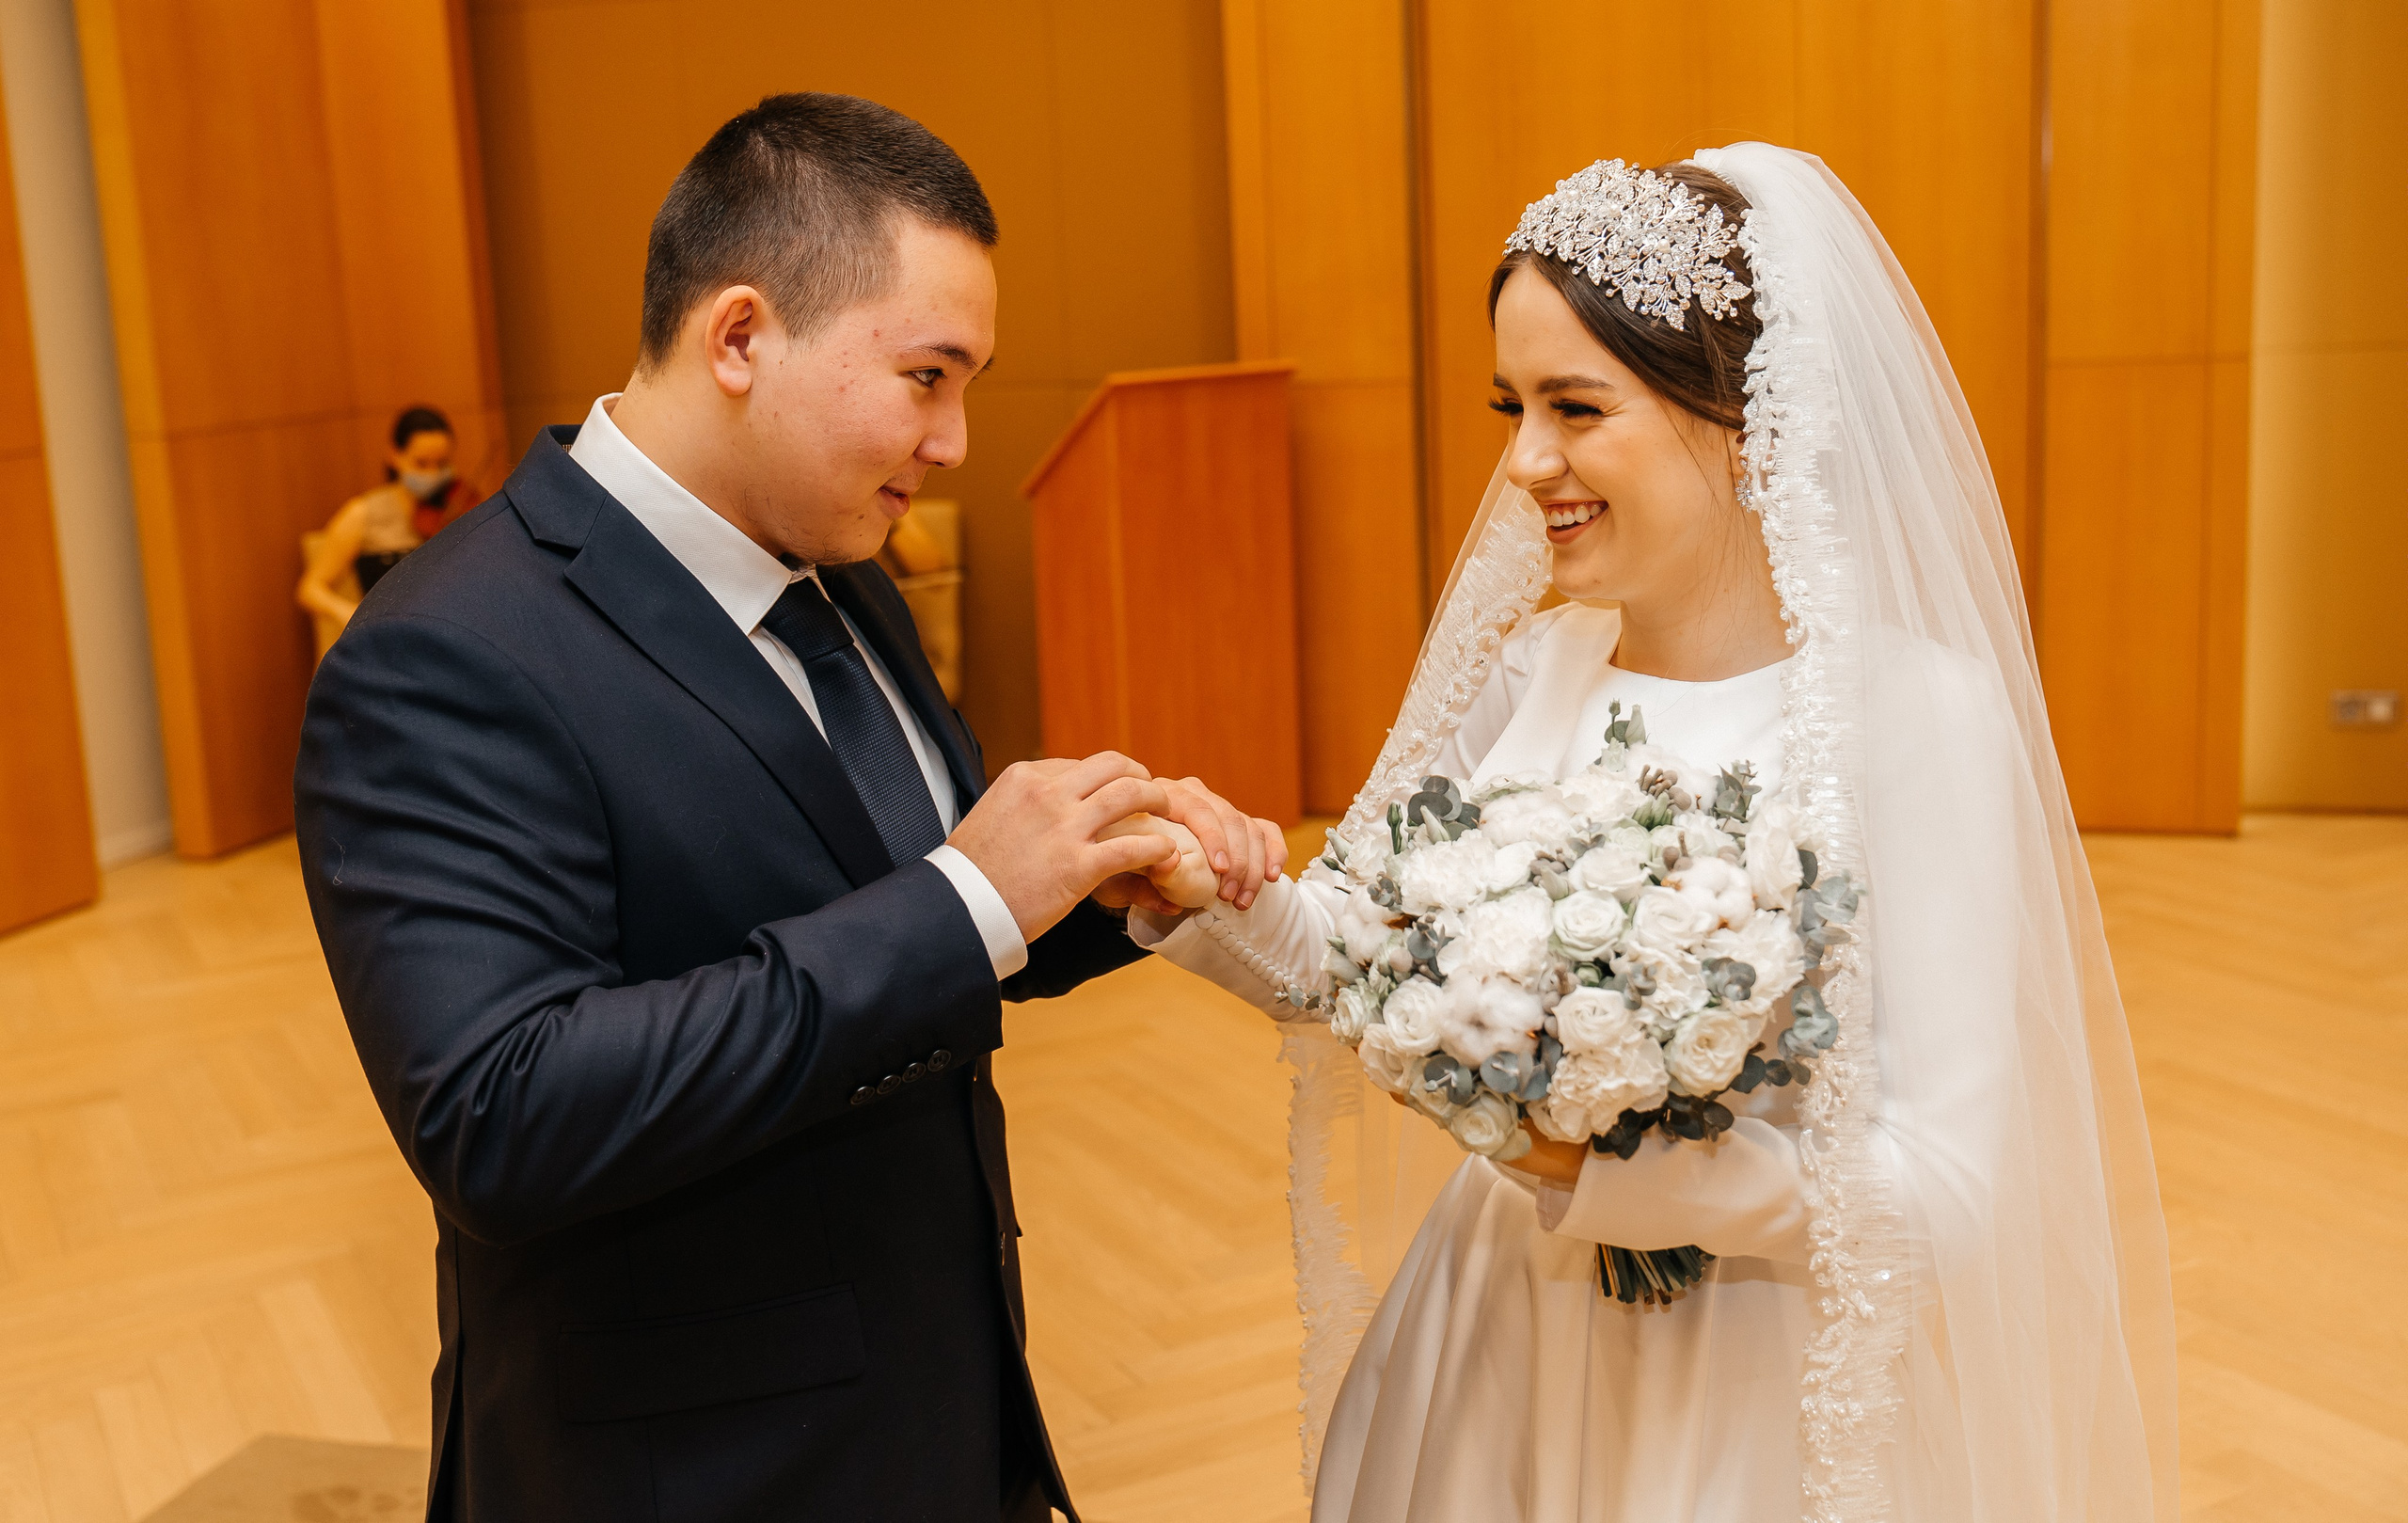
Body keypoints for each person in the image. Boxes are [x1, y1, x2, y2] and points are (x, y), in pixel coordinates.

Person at [1135, 147, 2178, 1519]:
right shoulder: (1533, 669)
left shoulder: (1912, 715)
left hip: (1749, 1387)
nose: (1524, 462)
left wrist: (1608, 1172)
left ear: (1745, 421)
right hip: (1497, 1335)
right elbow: (1362, 960)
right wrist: (1209, 886)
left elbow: (1939, 1190)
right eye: (1512, 406)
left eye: (1575, 406)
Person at [292, 94, 1280, 1522]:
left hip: (936, 1409)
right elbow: (502, 1113)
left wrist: (1099, 878)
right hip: (688, 1468)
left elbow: (895, 905)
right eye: (926, 376)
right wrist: (970, 896)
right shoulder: (447, 652)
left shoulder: (838, 570)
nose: (953, 441)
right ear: (741, 337)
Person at [295, 406, 479, 641]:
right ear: (394, 455)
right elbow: (310, 589)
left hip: (446, 633)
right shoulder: (363, 513)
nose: (433, 474)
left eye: (442, 464)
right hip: (387, 637)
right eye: (421, 464)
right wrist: (349, 613)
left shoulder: (457, 506)